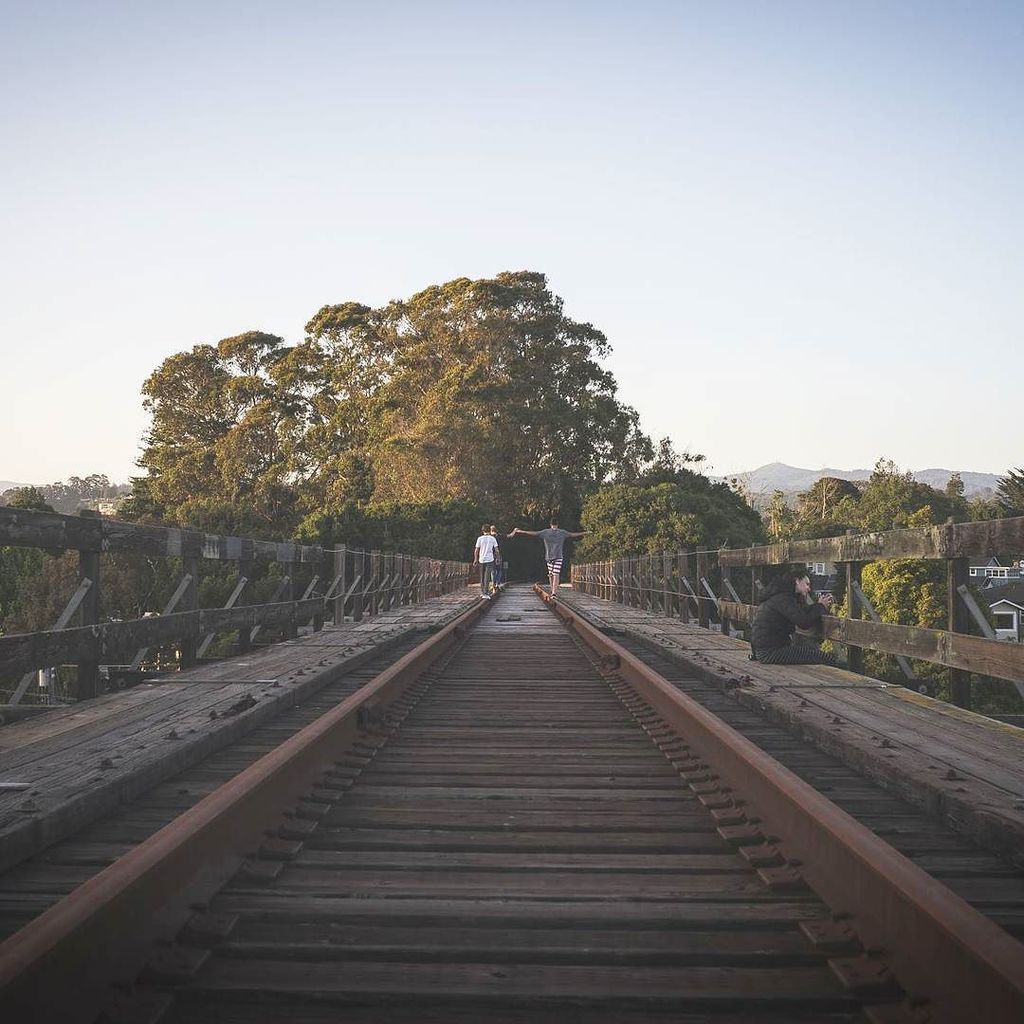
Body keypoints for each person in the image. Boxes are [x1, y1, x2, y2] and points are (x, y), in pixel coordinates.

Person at [750, 567, 838, 666]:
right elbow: (804, 622)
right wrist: (821, 606)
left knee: (818, 655)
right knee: (826, 658)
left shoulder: (780, 595)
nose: (809, 588)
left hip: (763, 650)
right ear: (797, 581)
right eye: (807, 584)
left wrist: (818, 605)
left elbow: (800, 613)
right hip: (771, 652)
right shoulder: (784, 598)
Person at [508, 517, 585, 598]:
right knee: (556, 574)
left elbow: (534, 533)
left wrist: (521, 531)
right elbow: (573, 534)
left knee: (551, 574)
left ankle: (553, 591)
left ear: (550, 524)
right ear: (557, 524)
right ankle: (554, 592)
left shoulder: (545, 532)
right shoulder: (562, 532)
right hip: (558, 556)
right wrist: (584, 533)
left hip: (549, 557)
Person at [473, 524, 499, 600]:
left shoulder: (479, 539)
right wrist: (497, 558)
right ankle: (486, 592)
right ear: (489, 531)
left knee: (481, 576)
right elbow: (497, 550)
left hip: (481, 559)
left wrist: (475, 559)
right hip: (490, 559)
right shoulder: (492, 539)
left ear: (482, 531)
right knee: (487, 576)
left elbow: (476, 550)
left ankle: (483, 592)